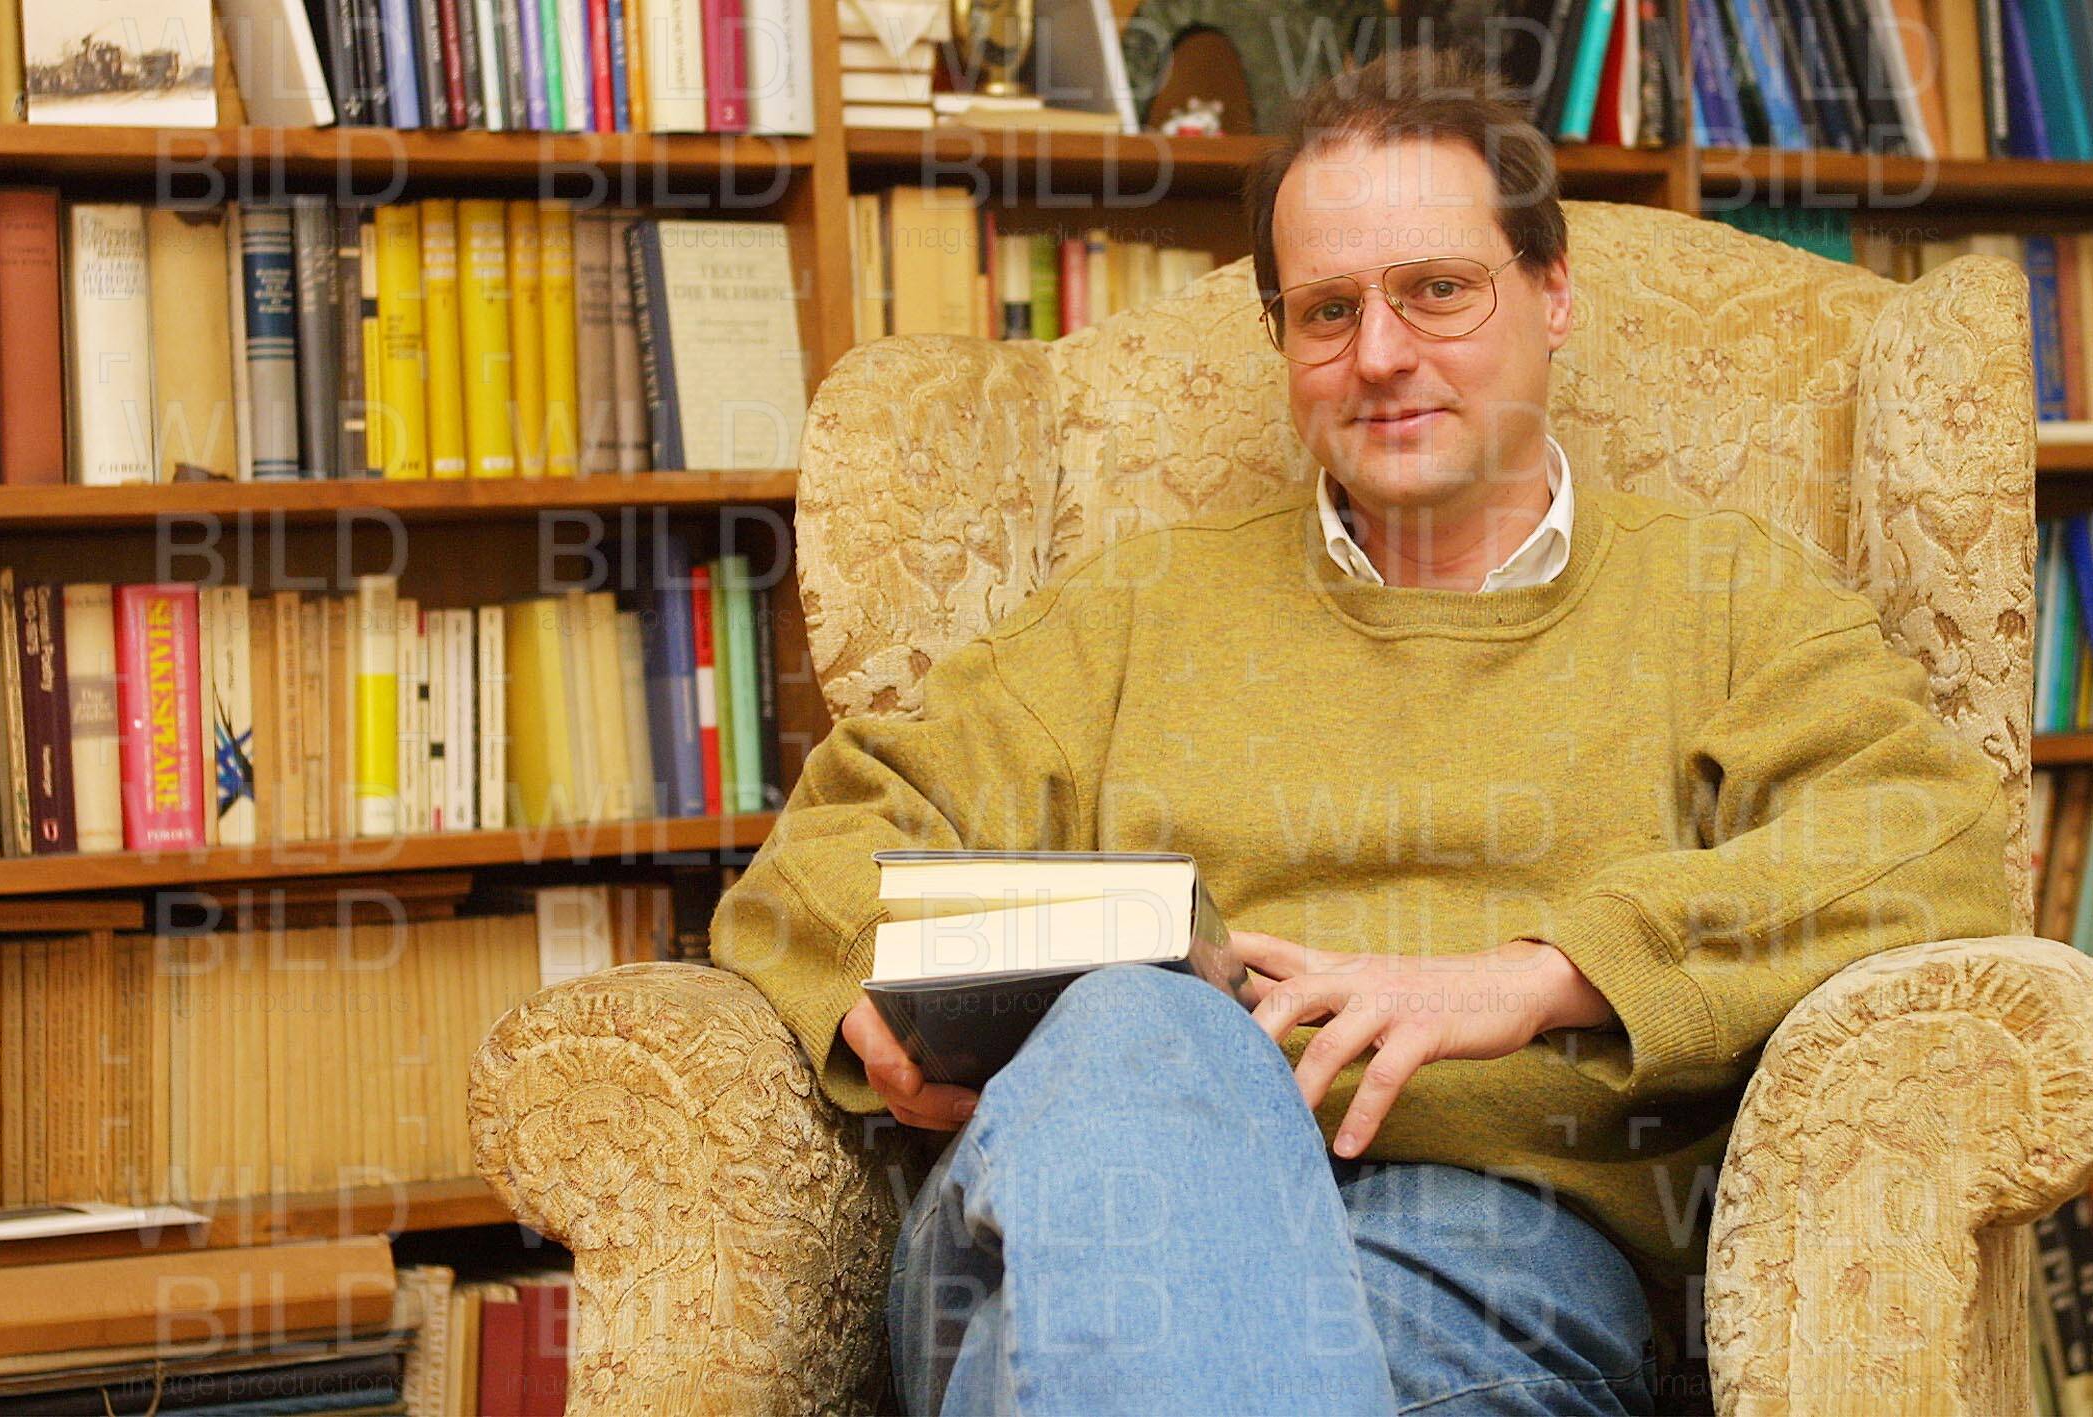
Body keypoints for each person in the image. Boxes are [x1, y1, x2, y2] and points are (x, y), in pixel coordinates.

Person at [709, 47, 2014, 1416]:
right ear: (1281, 342)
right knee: (1138, 1024)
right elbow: (827, 849)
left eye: (1436, 290)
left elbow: (1923, 844)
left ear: (1553, 294)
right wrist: (876, 995)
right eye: (1327, 311)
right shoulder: (1129, 612)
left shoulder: (1727, 599)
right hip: (1060, 1202)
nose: (1380, 355)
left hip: (1477, 1256)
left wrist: (1548, 969)